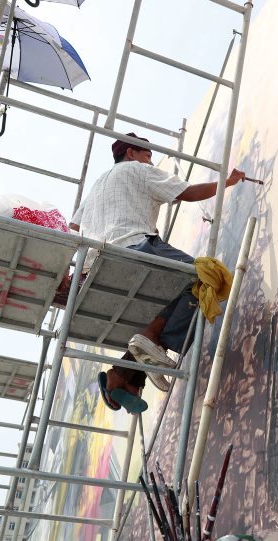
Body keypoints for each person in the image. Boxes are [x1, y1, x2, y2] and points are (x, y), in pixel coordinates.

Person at [70, 132, 247, 411]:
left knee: (168, 301)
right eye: (148, 155)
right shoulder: (136, 169)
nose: (150, 162)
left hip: (94, 264)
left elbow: (73, 228)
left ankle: (126, 376)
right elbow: (188, 193)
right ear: (131, 153)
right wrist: (227, 181)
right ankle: (150, 344)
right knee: (208, 275)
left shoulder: (96, 186)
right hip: (133, 244)